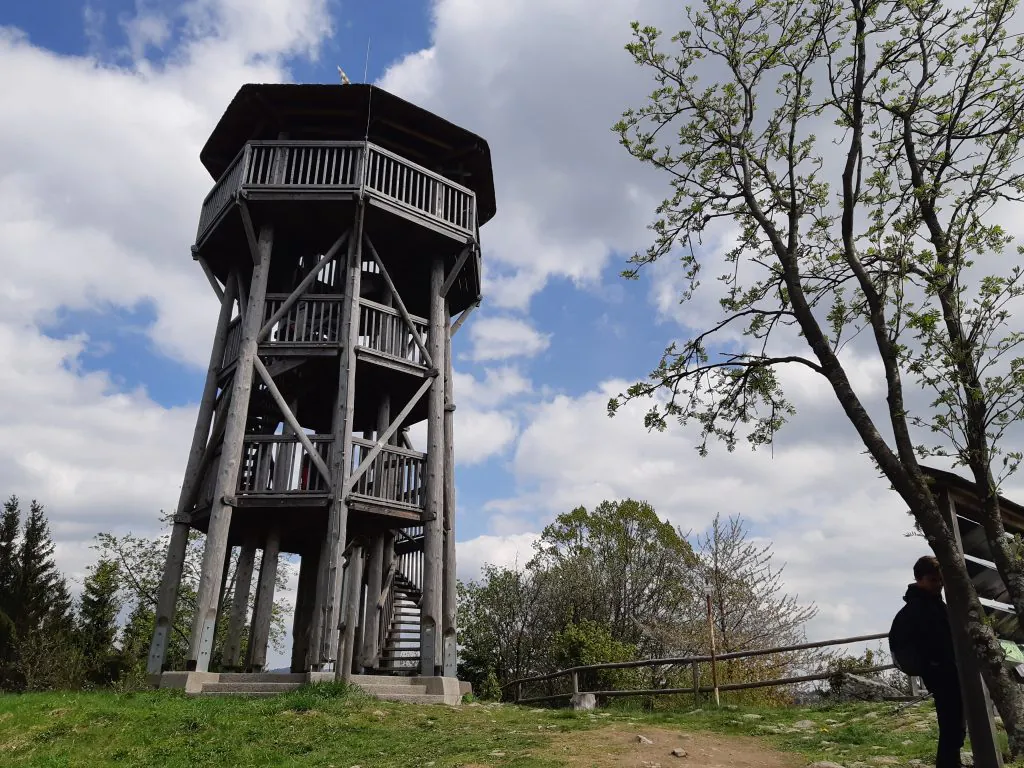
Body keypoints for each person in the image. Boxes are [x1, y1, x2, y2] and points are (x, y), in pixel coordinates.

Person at [889, 556, 965, 768]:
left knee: (954, 723)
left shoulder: (933, 605)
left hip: (945, 670)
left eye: (940, 580)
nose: (938, 584)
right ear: (919, 579)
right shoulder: (916, 610)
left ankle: (951, 762)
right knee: (952, 723)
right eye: (933, 580)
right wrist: (934, 665)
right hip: (941, 672)